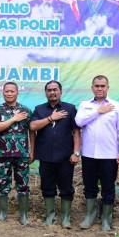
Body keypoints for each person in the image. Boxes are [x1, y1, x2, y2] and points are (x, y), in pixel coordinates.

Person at [75, 75, 119, 231]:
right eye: (97, 86)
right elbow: (79, 122)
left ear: (108, 88)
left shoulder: (116, 106)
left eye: (103, 86)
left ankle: (106, 218)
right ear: (92, 88)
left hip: (109, 155)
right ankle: (90, 215)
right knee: (89, 186)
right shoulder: (85, 105)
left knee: (108, 187)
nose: (100, 88)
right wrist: (98, 111)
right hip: (89, 155)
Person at [30, 81, 80, 228]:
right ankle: (50, 216)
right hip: (45, 157)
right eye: (49, 90)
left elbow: (76, 132)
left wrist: (76, 152)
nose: (52, 92)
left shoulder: (70, 109)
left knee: (66, 187)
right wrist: (51, 118)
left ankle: (65, 218)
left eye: (55, 90)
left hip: (65, 156)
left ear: (61, 92)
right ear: (46, 93)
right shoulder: (39, 109)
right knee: (47, 187)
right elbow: (33, 126)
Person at [0, 82, 35, 225]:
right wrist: (14, 119)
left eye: (12, 91)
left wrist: (32, 151)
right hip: (3, 154)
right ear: (3, 93)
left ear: (17, 93)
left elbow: (32, 132)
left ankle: (23, 216)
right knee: (2, 184)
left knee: (23, 185)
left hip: (22, 155)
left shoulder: (26, 110)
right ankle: (2, 214)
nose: (9, 93)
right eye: (6, 91)